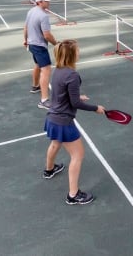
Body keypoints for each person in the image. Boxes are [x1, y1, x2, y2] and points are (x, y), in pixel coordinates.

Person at [43, 39, 106, 205]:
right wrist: (95, 108)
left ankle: (49, 170)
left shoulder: (58, 71)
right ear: (71, 55)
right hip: (63, 122)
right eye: (78, 50)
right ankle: (73, 195)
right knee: (77, 155)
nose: (79, 52)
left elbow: (61, 94)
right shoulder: (72, 75)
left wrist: (77, 96)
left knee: (55, 144)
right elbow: (75, 104)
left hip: (52, 118)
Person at [23, 0, 58, 109]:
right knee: (46, 70)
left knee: (37, 64)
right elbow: (47, 35)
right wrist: (56, 44)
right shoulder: (43, 16)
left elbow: (26, 27)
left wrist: (25, 40)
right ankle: (44, 100)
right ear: (40, 2)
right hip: (39, 46)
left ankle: (35, 86)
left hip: (32, 44)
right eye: (46, 0)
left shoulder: (31, 11)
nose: (49, 2)